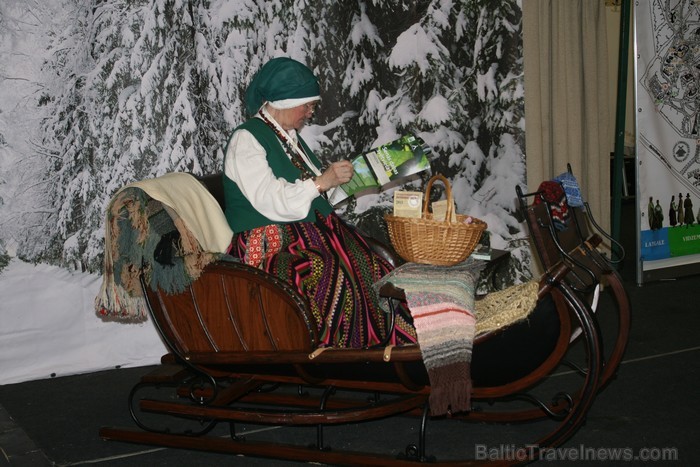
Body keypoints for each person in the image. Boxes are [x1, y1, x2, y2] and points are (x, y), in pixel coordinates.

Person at [222, 57, 416, 348]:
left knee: (369, 264)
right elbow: (270, 200)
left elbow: (314, 195)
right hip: (269, 240)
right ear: (285, 101)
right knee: (328, 271)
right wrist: (321, 182)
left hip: (307, 233)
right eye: (307, 105)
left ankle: (393, 340)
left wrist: (345, 182)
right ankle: (343, 351)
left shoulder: (290, 139)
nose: (310, 113)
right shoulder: (247, 139)